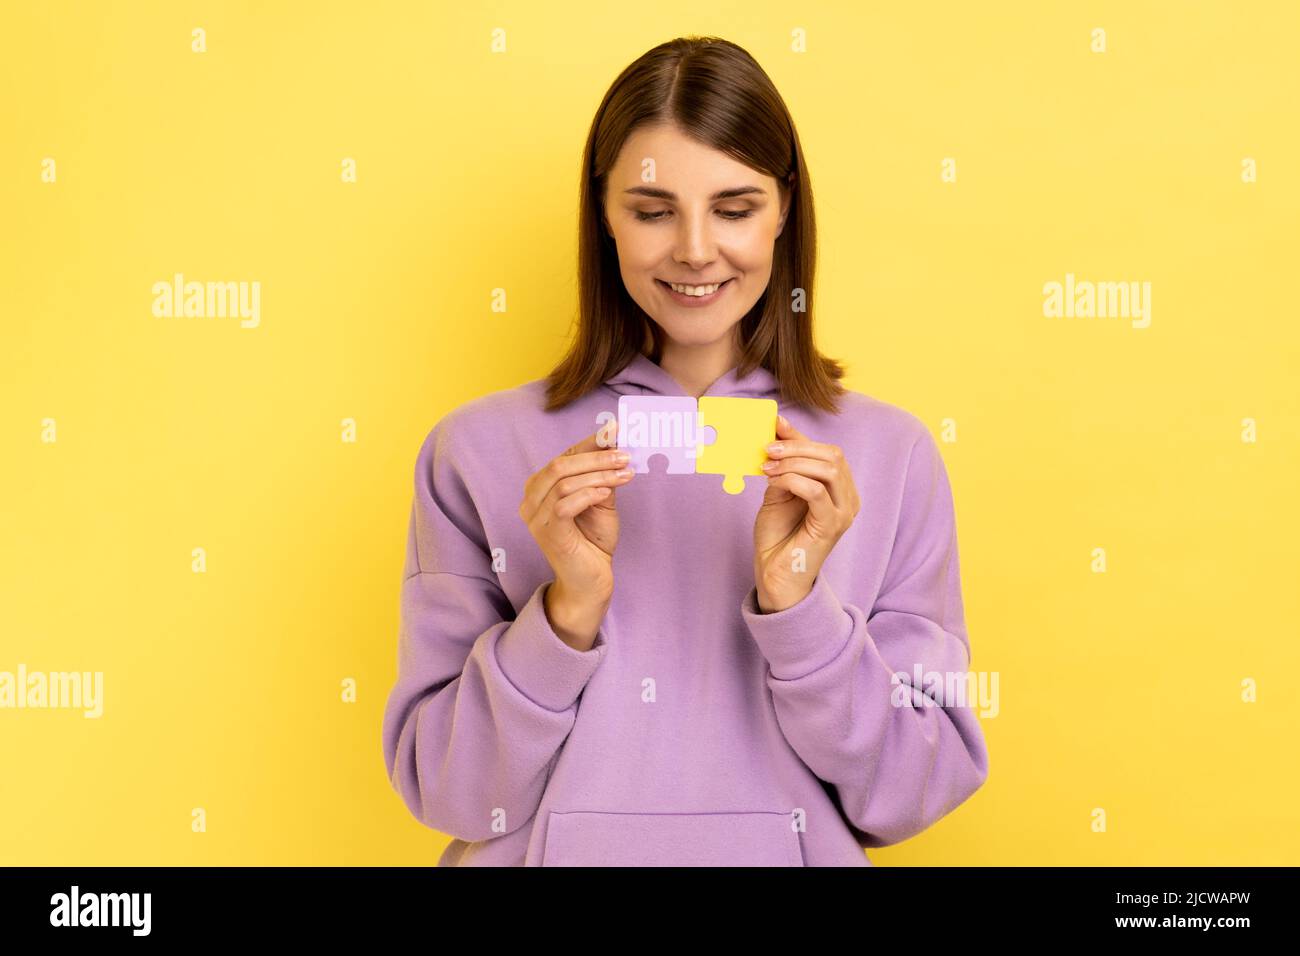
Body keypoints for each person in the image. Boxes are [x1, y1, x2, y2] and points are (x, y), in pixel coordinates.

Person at [381, 35, 989, 866]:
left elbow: (920, 788)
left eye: (734, 209)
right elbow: (450, 793)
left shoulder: (890, 455)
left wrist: (798, 606)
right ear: (602, 214)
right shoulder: (475, 452)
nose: (696, 249)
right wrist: (565, 613)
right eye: (653, 209)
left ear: (784, 211)